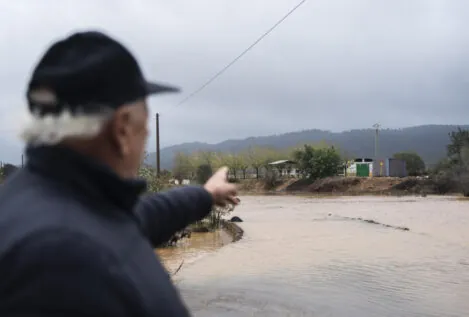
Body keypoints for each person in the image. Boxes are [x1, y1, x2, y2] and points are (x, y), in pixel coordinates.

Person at [0, 30, 238, 316]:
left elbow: (146, 214)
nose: (144, 138)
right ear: (122, 128)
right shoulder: (65, 261)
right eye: (144, 129)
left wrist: (207, 194)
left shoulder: (52, 200)